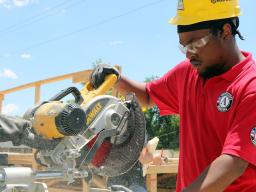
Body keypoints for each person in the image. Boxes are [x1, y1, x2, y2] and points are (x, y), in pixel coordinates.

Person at [89, 0, 256, 191]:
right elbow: (148, 95)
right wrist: (116, 79)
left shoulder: (250, 87)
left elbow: (233, 163)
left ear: (225, 31)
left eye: (195, 44)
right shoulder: (189, 72)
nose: (188, 55)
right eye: (184, 47)